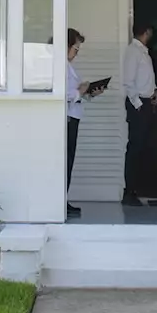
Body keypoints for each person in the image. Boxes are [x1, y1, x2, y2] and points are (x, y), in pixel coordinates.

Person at [63, 28, 103, 217]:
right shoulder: (57, 67)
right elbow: (63, 95)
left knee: (70, 160)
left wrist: (89, 92)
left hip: (74, 116)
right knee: (65, 160)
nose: (76, 53)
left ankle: (64, 199)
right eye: (75, 49)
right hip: (67, 118)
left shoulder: (69, 66)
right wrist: (81, 91)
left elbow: (75, 93)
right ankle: (60, 201)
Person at [121, 22, 157, 206]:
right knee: (135, 148)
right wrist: (138, 105)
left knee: (143, 147)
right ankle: (129, 192)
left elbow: (145, 79)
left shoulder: (143, 52)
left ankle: (137, 188)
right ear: (147, 31)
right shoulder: (133, 52)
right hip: (138, 105)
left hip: (146, 102)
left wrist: (154, 92)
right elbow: (128, 82)